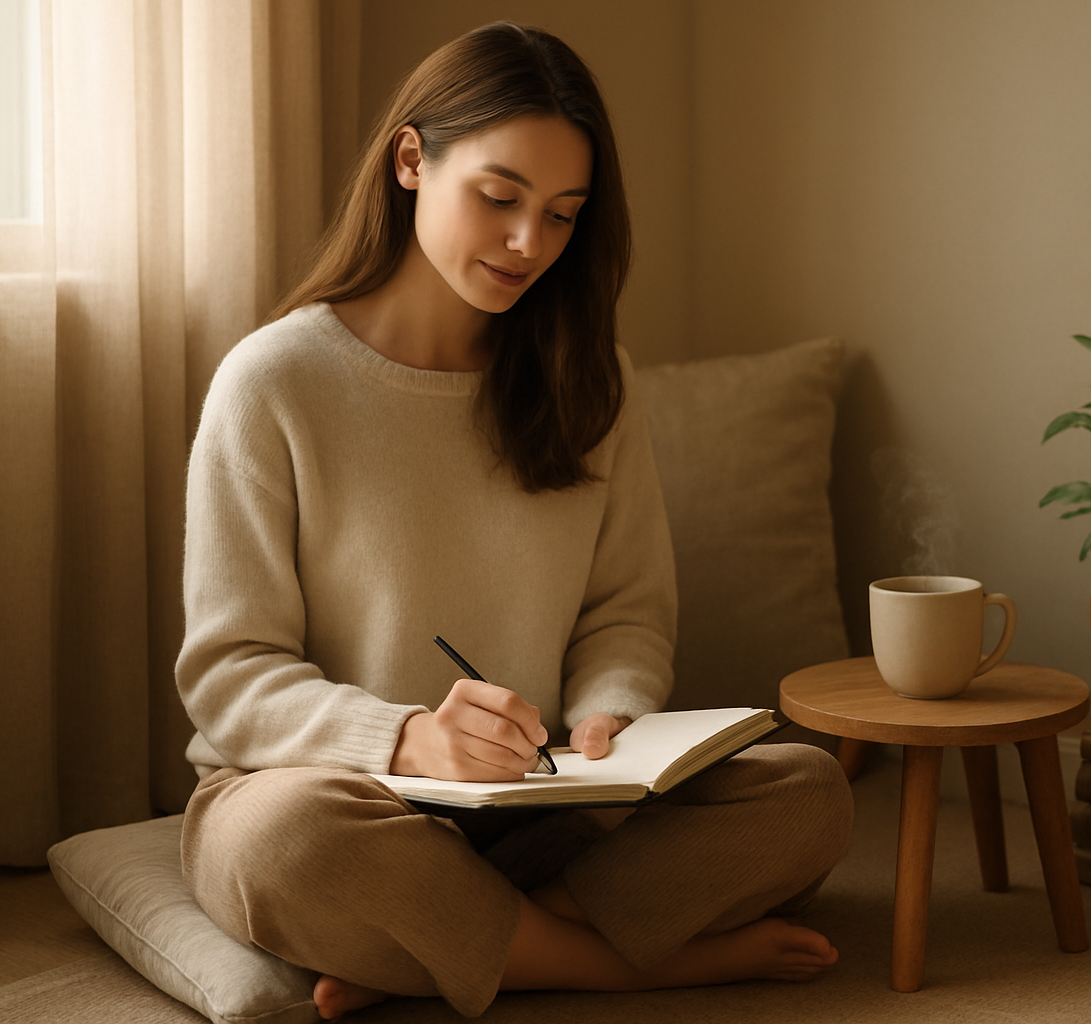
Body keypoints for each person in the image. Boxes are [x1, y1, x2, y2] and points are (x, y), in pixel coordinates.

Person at [175, 21, 853, 1021]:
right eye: (498, 197)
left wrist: (608, 718)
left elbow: (627, 610)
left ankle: (441, 947)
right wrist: (406, 739)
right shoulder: (273, 382)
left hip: (540, 812)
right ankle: (622, 960)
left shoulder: (591, 383)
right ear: (411, 160)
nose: (529, 242)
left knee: (807, 790)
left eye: (562, 215)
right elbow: (229, 674)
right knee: (282, 843)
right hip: (334, 793)